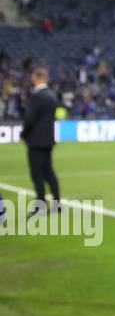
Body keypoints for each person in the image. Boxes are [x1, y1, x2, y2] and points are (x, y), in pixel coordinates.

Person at [21, 66, 59, 216]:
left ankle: (41, 206)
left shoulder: (36, 96)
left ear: (36, 78)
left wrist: (24, 135)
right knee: (49, 172)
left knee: (37, 174)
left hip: (36, 141)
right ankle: (57, 204)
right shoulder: (52, 95)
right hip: (49, 139)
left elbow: (30, 119)